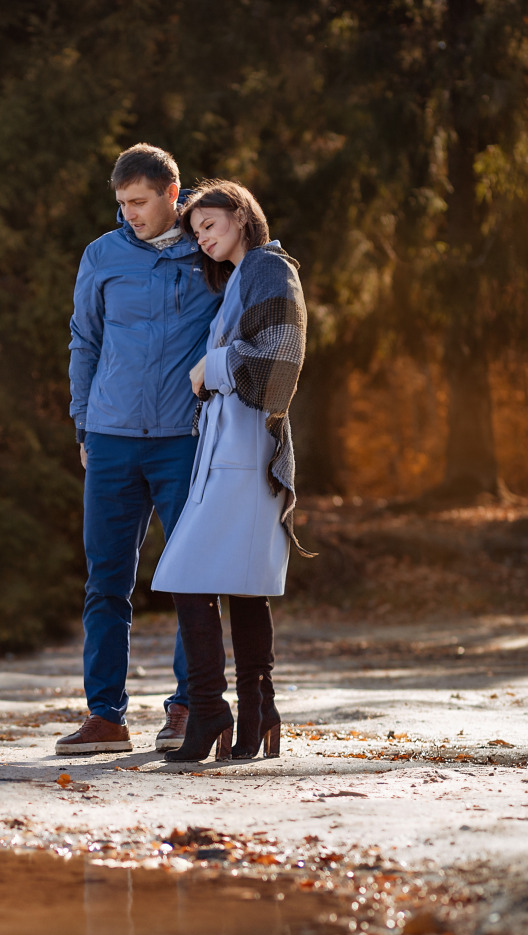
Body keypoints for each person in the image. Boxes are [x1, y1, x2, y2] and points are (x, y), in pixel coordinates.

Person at [60, 144, 222, 756]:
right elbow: (84, 339)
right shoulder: (101, 255)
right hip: (109, 438)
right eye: (122, 203)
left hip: (183, 442)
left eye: (140, 202)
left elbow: (254, 279)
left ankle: (187, 707)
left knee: (189, 577)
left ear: (171, 196)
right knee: (105, 581)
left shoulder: (206, 253)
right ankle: (106, 716)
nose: (129, 213)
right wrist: (82, 425)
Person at [151, 179, 314, 763]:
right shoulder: (240, 280)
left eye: (210, 224)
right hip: (229, 453)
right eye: (196, 232)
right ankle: (257, 710)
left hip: (248, 455)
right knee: (242, 587)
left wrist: (209, 367)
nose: (203, 237)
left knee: (186, 573)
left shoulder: (271, 268)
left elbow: (281, 360)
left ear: (241, 215)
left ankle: (214, 709)